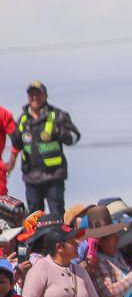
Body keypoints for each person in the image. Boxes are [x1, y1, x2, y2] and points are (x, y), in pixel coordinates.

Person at [9, 81, 80, 216]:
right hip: (31, 178)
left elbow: (75, 136)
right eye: (31, 94)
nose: (34, 97)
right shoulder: (23, 119)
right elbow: (17, 144)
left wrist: (59, 132)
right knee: (34, 218)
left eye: (38, 94)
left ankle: (59, 236)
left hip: (53, 176)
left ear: (45, 96)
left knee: (57, 214)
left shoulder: (58, 115)